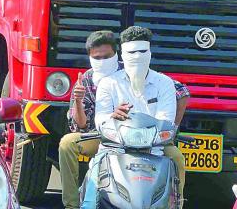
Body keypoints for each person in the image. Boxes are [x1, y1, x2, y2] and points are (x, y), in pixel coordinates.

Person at [60, 30, 190, 209]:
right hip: (110, 139)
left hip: (152, 141)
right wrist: (84, 103)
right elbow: (84, 124)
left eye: (142, 52)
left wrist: (170, 131)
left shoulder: (163, 82)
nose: (137, 57)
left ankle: (175, 205)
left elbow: (181, 94)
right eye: (97, 57)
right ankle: (72, 205)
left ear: (116, 54)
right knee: (72, 147)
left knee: (176, 158)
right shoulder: (92, 80)